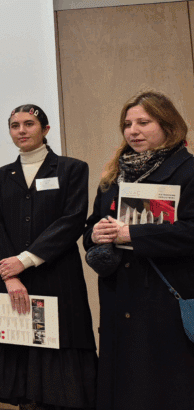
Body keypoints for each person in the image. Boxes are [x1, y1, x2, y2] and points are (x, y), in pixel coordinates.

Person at [85, 91, 194, 409]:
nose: (133, 130)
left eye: (143, 122)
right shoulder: (113, 176)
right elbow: (89, 229)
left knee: (166, 389)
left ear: (168, 125)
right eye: (128, 124)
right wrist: (95, 233)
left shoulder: (188, 172)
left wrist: (132, 232)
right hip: (120, 298)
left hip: (166, 299)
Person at [0, 104, 97, 410]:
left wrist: (26, 259)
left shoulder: (72, 169)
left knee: (59, 374)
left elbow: (72, 221)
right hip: (12, 283)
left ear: (45, 130)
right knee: (21, 371)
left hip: (57, 278)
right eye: (15, 125)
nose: (21, 130)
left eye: (29, 124)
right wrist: (11, 275)